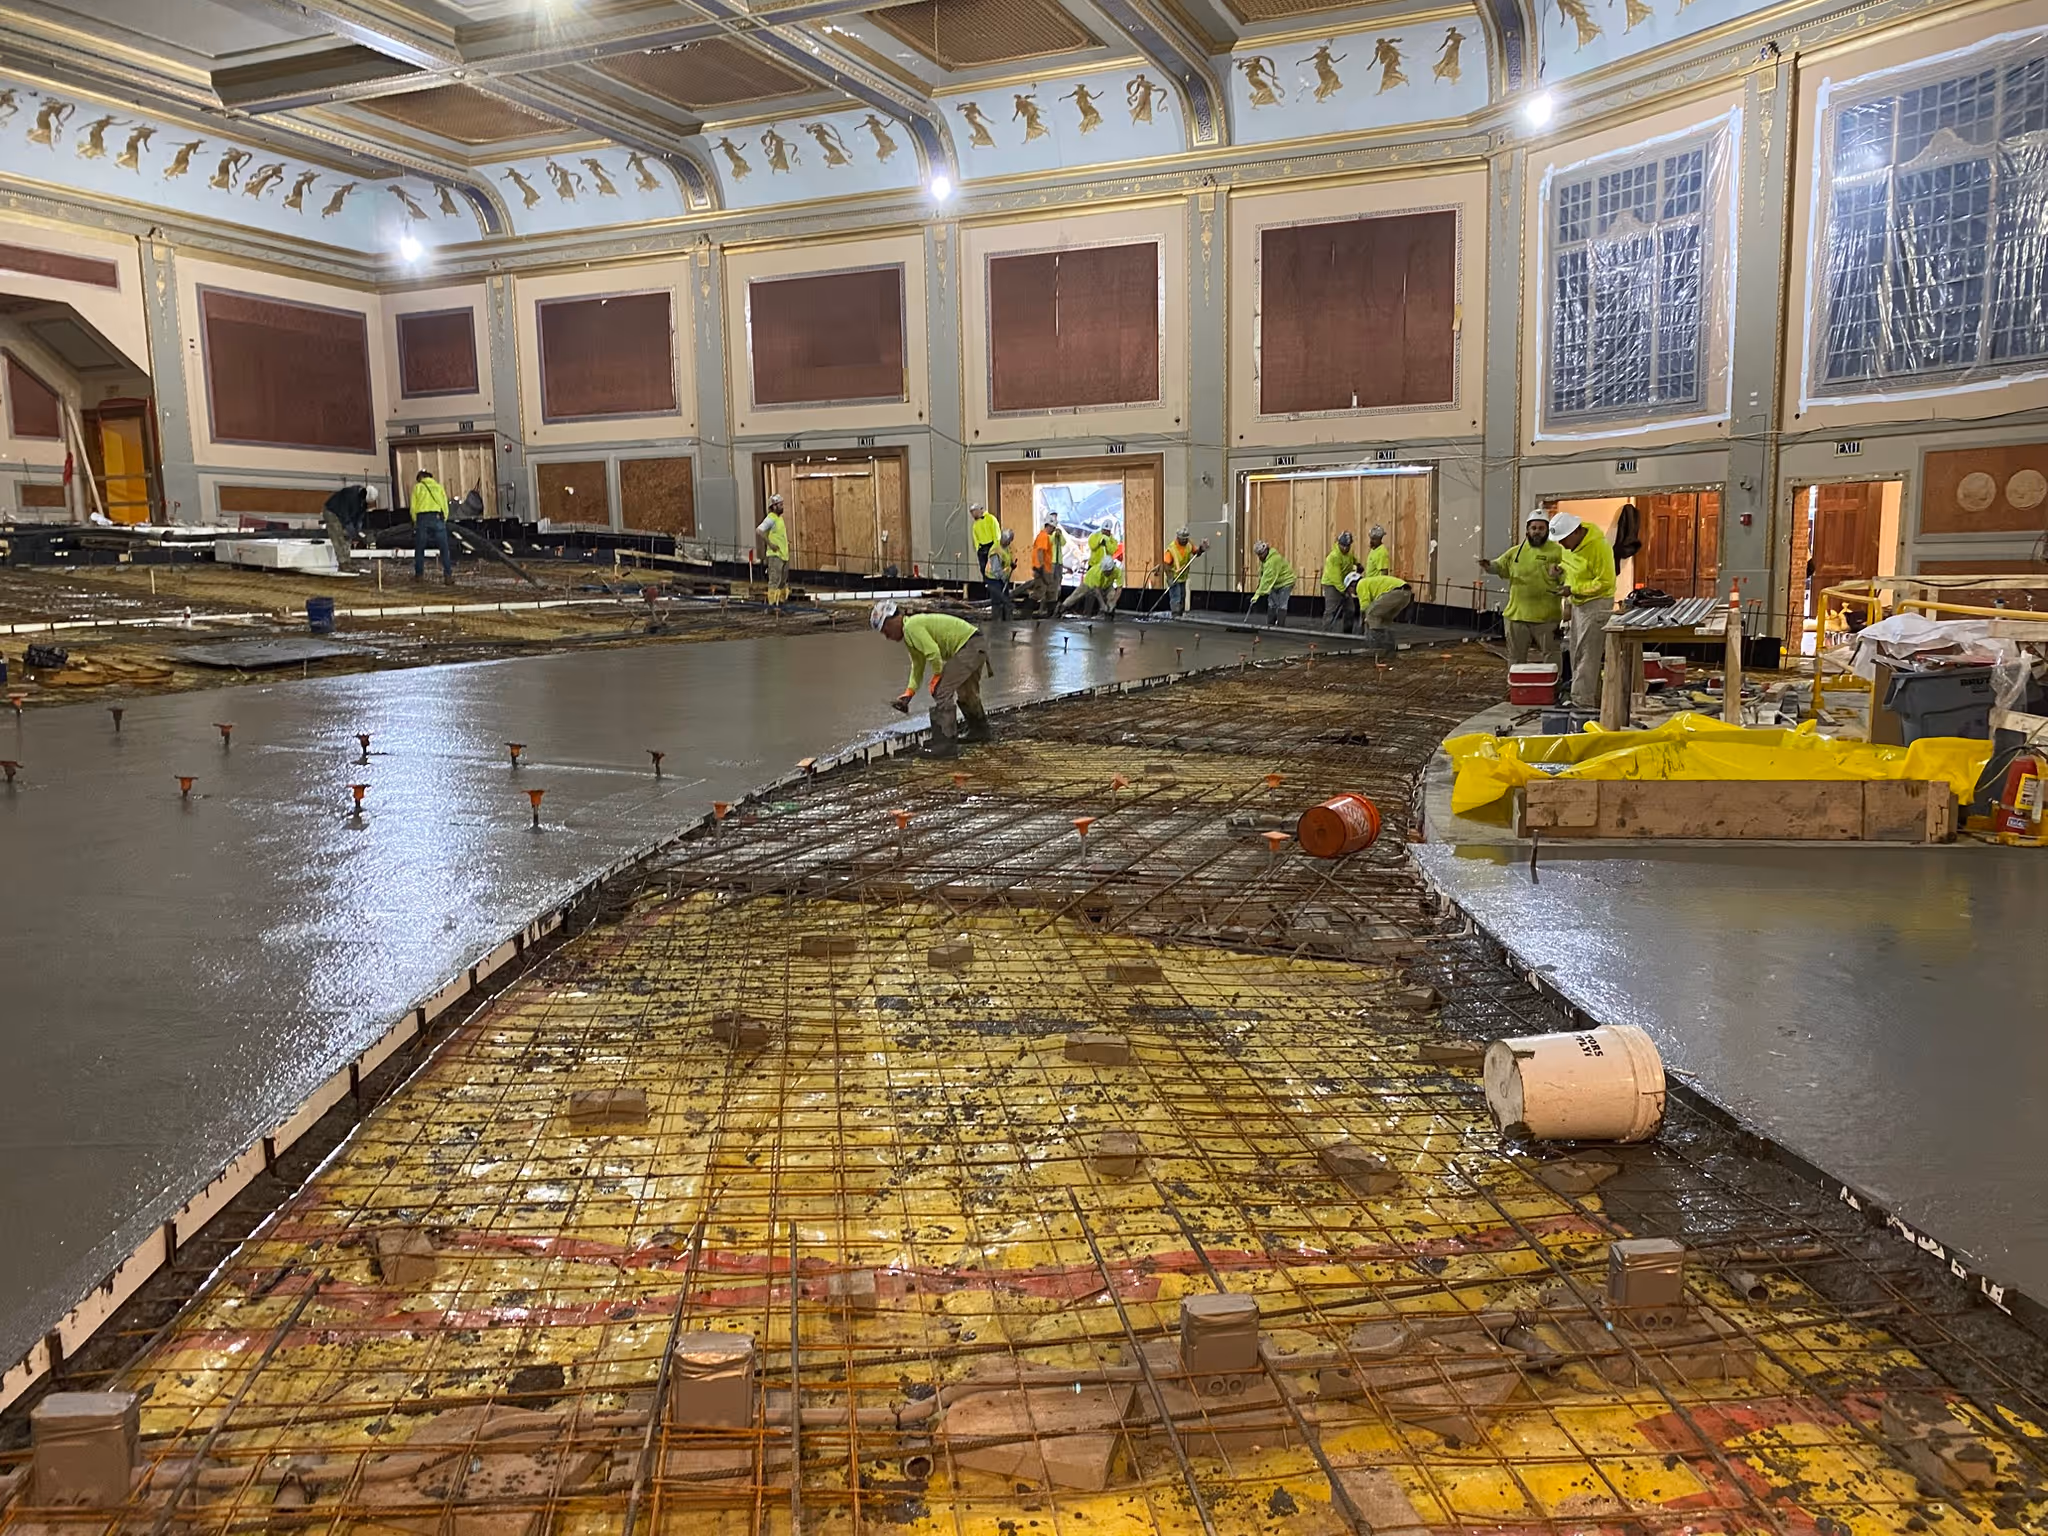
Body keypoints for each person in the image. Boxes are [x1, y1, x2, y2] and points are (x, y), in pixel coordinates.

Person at [874, 599, 989, 757]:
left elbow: (933, 653)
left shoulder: (911, 627)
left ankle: (945, 745)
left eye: (885, 630)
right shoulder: (910, 632)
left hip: (969, 646)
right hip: (976, 643)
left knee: (941, 690)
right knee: (967, 693)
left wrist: (937, 675)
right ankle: (980, 732)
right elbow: (918, 665)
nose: (887, 636)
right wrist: (910, 692)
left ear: (894, 619)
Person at [1477, 510, 1566, 670]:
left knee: (1551, 655)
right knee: (1516, 658)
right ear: (1527, 530)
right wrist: (1488, 565)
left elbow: (1569, 577)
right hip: (1517, 616)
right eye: (1534, 528)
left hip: (1547, 618)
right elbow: (1500, 566)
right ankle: (1517, 688)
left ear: (1547, 530)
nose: (1537, 531)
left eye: (1541, 528)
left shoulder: (1558, 552)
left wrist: (1560, 575)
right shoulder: (1515, 552)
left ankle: (1554, 688)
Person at [1548, 510, 1618, 709]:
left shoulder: (1599, 547)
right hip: (1578, 603)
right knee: (1576, 653)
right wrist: (1560, 569)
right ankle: (1592, 700)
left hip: (1597, 604)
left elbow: (1605, 582)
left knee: (1588, 654)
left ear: (1577, 531)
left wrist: (1574, 589)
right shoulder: (1569, 545)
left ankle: (1581, 702)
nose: (1562, 545)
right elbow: (1572, 566)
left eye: (1564, 540)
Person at [409, 469, 453, 584]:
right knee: (444, 549)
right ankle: (448, 576)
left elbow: (413, 508)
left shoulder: (417, 487)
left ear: (420, 478)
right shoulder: (438, 487)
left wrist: (415, 521)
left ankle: (419, 576)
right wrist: (444, 519)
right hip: (437, 518)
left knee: (420, 549)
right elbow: (445, 505)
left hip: (422, 519)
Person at [1352, 569, 1412, 653]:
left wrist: (1362, 625)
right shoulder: (1369, 582)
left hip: (1394, 592)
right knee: (1384, 619)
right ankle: (1388, 647)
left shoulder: (1360, 584)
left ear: (1352, 585)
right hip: (1406, 594)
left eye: (1349, 589)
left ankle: (1375, 646)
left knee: (1372, 615)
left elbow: (1365, 606)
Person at [1062, 546, 1121, 620]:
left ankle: (1109, 613)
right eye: (1105, 572)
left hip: (1107, 585)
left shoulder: (1117, 572)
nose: (1106, 573)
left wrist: (1114, 602)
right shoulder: (1096, 572)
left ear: (1112, 569)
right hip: (1089, 583)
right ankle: (1062, 607)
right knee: (1076, 595)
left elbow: (1119, 589)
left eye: (1108, 572)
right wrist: (1102, 604)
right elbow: (1097, 591)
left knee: (1111, 595)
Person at [1249, 540, 1295, 627]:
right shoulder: (1266, 559)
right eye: (1258, 555)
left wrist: (1257, 595)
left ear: (1266, 550)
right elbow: (1262, 574)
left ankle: (1280, 625)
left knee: (1282, 603)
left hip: (1286, 582)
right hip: (1276, 582)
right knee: (1272, 602)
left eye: (1261, 554)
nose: (1259, 557)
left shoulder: (1273, 561)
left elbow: (1267, 580)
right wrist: (1260, 585)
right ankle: (1270, 624)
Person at [1162, 527, 1208, 617]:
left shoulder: (1188, 545)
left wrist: (1201, 549)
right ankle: (1175, 615)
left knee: (1182, 596)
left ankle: (1180, 614)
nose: (1184, 541)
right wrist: (1170, 578)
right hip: (1174, 577)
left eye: (1185, 539)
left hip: (1183, 577)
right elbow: (1166, 565)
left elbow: (1196, 553)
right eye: (1182, 539)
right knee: (1176, 597)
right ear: (1178, 538)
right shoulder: (1172, 549)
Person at [1321, 531, 1360, 633]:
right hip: (1331, 585)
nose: (1345, 548)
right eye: (1343, 546)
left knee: (1350, 609)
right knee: (1331, 610)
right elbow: (1335, 578)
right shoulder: (1334, 557)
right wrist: (1344, 591)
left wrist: (1358, 564)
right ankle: (1326, 633)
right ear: (1339, 544)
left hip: (1344, 584)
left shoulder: (1348, 554)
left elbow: (1352, 559)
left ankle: (1347, 632)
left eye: (1348, 546)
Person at [757, 494, 790, 610]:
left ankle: (781, 603)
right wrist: (770, 544)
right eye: (780, 505)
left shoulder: (779, 519)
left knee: (782, 582)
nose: (782, 507)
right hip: (775, 556)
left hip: (783, 555)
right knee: (774, 581)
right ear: (774, 506)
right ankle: (772, 605)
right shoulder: (770, 518)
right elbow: (760, 530)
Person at [1029, 515, 1066, 615]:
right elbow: (1040, 551)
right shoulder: (1044, 536)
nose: (1053, 530)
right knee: (1040, 591)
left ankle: (1050, 613)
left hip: (1044, 568)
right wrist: (1041, 567)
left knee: (1050, 591)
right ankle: (1026, 612)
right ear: (1049, 526)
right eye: (1053, 528)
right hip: (1043, 568)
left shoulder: (1043, 536)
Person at [984, 528, 1018, 621]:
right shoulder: (995, 551)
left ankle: (1006, 620)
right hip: (994, 579)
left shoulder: (1005, 547)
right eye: (1008, 541)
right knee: (997, 601)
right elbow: (996, 570)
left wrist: (1011, 564)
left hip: (1002, 578)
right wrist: (1003, 578)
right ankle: (997, 622)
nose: (1009, 543)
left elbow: (1007, 558)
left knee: (1005, 599)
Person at [969, 502, 1001, 575]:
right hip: (982, 548)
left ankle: (994, 584)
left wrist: (994, 548)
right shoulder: (975, 524)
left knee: (993, 569)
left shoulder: (991, 519)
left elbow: (996, 534)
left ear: (979, 510)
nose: (972, 515)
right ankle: (986, 583)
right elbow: (975, 537)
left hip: (992, 546)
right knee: (983, 569)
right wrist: (978, 548)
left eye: (974, 512)